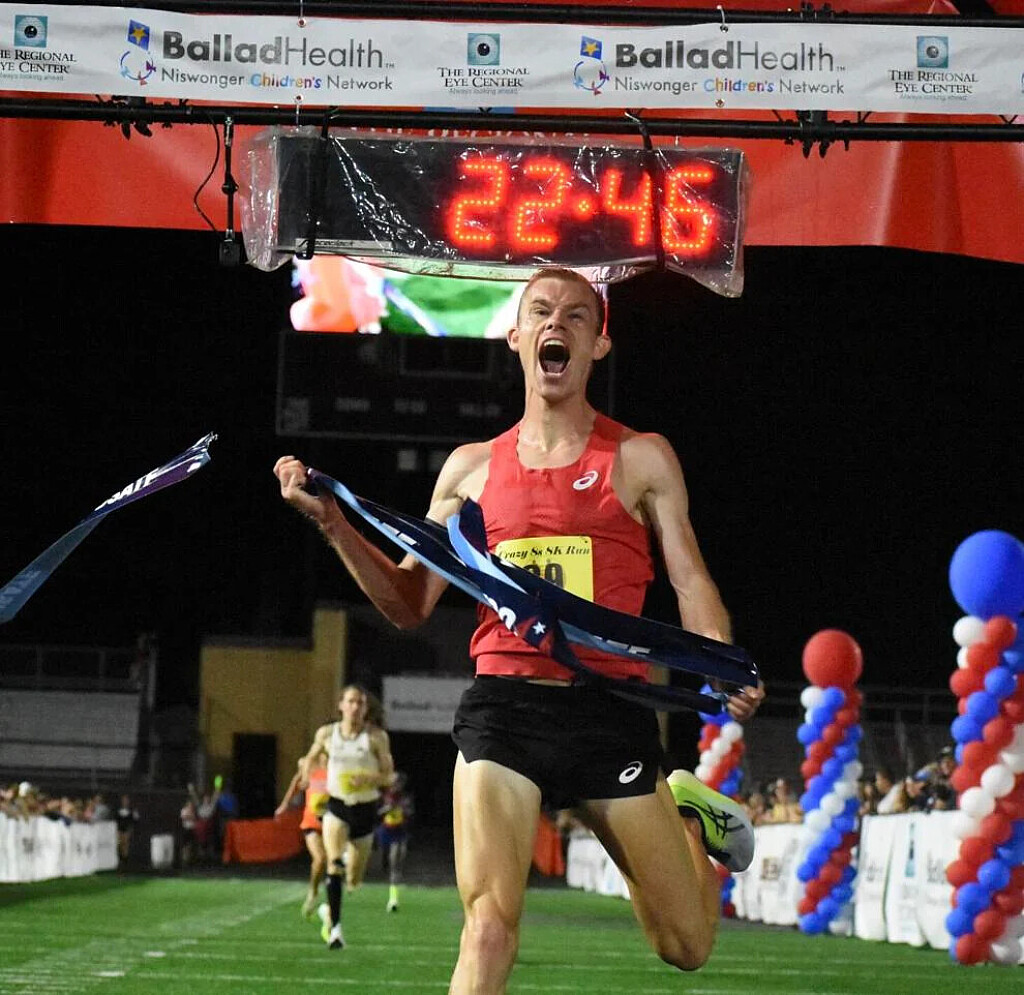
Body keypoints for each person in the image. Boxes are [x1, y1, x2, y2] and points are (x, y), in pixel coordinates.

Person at [275, 266, 764, 991]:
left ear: (598, 345)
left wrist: (720, 662)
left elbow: (690, 580)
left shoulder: (640, 457)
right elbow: (410, 603)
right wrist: (336, 527)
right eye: (540, 312)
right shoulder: (469, 471)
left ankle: (686, 812)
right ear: (516, 335)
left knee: (685, 945)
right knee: (488, 928)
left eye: (575, 315)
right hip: (504, 711)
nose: (555, 324)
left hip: (610, 713)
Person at [299, 685, 396, 949]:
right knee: (333, 864)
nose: (355, 707)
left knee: (354, 880)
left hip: (365, 809)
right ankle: (336, 931)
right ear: (341, 705)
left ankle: (328, 909)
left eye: (360, 703)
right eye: (351, 702)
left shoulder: (376, 737)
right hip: (337, 806)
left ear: (365, 709)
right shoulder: (327, 734)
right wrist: (306, 776)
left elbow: (389, 776)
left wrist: (369, 778)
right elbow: (310, 758)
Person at [276, 753, 330, 918]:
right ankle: (313, 892)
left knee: (333, 864)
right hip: (311, 822)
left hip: (331, 822)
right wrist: (285, 805)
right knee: (319, 859)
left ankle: (331, 902)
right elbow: (297, 780)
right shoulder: (309, 764)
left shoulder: (337, 766)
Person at [376, 771, 414, 912]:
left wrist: (403, 810)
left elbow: (410, 813)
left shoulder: (405, 798)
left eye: (398, 783)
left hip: (400, 831)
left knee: (398, 858)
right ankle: (390, 875)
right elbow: (376, 812)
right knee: (389, 860)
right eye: (394, 782)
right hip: (387, 830)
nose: (395, 785)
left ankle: (393, 894)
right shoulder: (384, 796)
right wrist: (387, 809)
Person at [115, 794, 139, 863]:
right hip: (119, 830)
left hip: (127, 830)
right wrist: (117, 831)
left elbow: (135, 821)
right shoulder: (118, 811)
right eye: (123, 800)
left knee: (125, 845)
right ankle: (120, 858)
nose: (125, 802)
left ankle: (125, 860)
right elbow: (116, 821)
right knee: (120, 844)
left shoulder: (131, 811)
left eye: (126, 800)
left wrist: (130, 830)